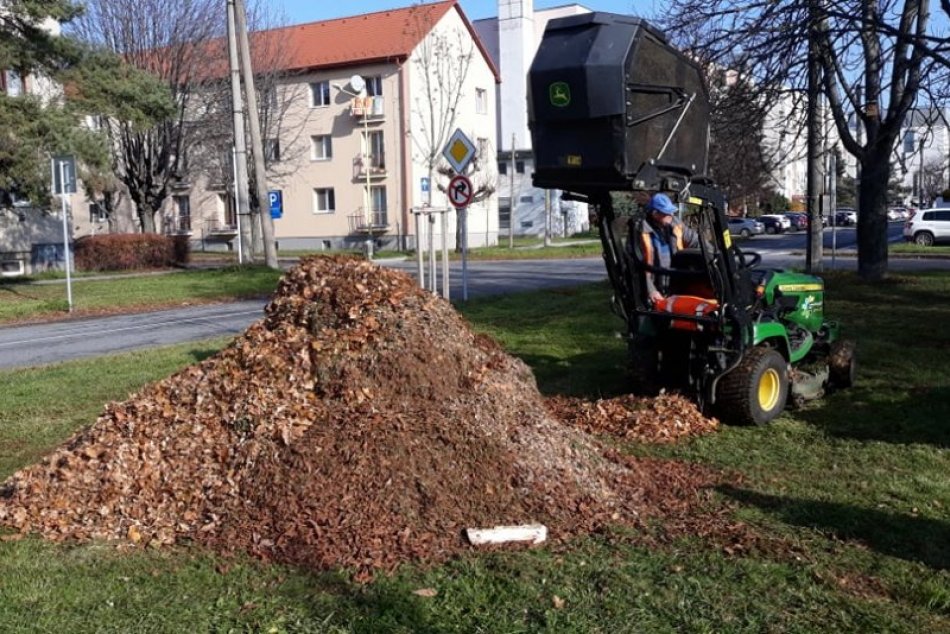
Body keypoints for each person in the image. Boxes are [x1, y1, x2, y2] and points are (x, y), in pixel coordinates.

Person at [637, 192, 695, 304]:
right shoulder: (640, 232)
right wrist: (651, 290)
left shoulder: (675, 224)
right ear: (655, 214)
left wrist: (712, 254)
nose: (671, 215)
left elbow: (694, 240)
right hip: (653, 289)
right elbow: (636, 266)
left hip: (675, 283)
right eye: (667, 213)